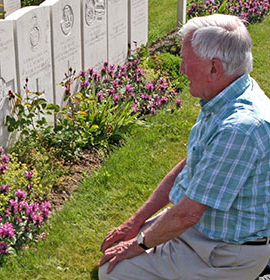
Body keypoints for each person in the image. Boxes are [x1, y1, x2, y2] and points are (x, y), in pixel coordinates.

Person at [98, 14, 270, 280]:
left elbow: (188, 214)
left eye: (185, 61)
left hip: (224, 253)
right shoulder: (227, 95)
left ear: (214, 68)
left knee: (113, 272)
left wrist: (138, 244)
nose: (180, 70)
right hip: (201, 231)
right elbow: (191, 164)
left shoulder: (241, 127)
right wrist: (135, 224)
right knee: (113, 254)